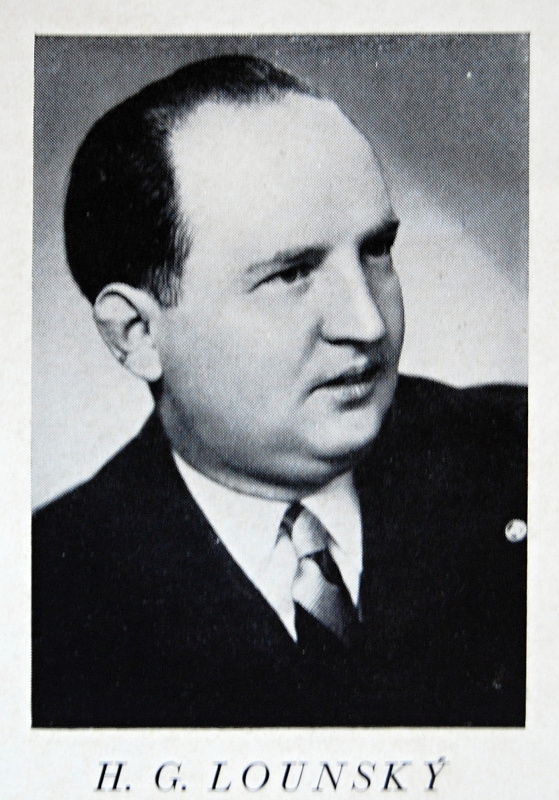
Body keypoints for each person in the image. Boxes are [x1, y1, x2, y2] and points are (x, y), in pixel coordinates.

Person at [32, 54, 527, 728]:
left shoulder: (523, 458)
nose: (367, 323)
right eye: (291, 274)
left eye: (375, 250)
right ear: (137, 334)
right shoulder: (45, 598)